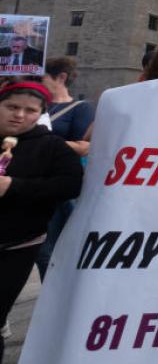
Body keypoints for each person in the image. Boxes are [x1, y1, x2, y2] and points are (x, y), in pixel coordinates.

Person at [0, 82, 83, 361]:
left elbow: (70, 186)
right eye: (12, 107)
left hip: (16, 246)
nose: (20, 115)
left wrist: (14, 185)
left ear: (40, 114)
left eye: (29, 110)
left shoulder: (52, 147)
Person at [34, 58, 94, 280]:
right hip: (34, 184)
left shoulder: (81, 108)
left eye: (42, 78)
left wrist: (42, 140)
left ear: (61, 77)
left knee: (57, 249)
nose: (38, 83)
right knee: (42, 250)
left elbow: (85, 147)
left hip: (63, 187)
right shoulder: (33, 106)